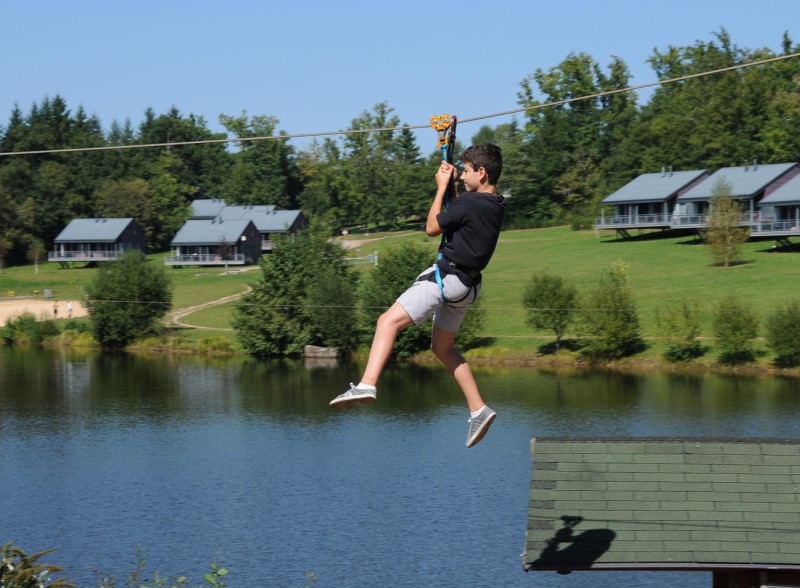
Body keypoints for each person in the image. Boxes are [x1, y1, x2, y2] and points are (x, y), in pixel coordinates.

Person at [330, 144, 506, 448]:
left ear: (482, 172)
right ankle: (478, 409)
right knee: (443, 348)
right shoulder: (494, 205)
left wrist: (440, 189)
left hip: (446, 279)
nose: (463, 177)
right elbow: (462, 212)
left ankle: (367, 384)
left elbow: (432, 227)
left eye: (466, 171)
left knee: (387, 322)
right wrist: (452, 185)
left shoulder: (469, 204)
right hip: (467, 286)